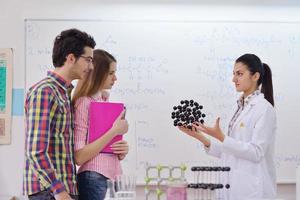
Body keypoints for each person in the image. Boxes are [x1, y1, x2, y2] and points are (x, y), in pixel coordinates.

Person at [179, 53, 276, 199]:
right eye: (233, 74)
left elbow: (256, 153)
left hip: (252, 190)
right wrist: (199, 136)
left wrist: (222, 137)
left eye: (239, 74)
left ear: (255, 76)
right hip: (232, 187)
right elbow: (229, 151)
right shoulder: (237, 108)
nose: (234, 79)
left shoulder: (264, 109)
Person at [23, 28, 96, 200]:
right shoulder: (45, 91)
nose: (91, 67)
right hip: (50, 192)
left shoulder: (64, 94)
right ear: (71, 58)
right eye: (88, 60)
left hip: (64, 189)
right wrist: (59, 191)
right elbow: (36, 151)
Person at [72, 49, 129, 200]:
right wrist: (114, 131)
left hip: (111, 177)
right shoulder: (84, 103)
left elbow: (102, 145)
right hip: (94, 178)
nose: (115, 78)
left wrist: (120, 150)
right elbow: (79, 156)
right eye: (111, 73)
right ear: (97, 74)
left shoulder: (102, 102)